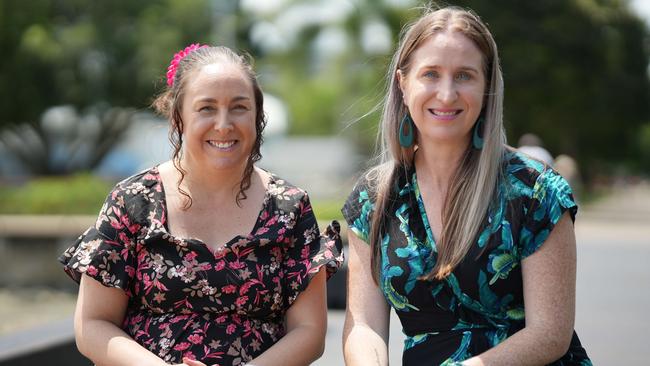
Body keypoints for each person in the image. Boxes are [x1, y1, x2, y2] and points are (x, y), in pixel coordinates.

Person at [59, 44, 343, 366]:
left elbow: (309, 331)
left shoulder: (291, 208)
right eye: (206, 108)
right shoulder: (132, 201)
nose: (224, 124)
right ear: (178, 115)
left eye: (239, 107)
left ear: (257, 115)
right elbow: (92, 325)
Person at [341, 6, 591, 366]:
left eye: (464, 76)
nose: (446, 94)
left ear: (487, 86)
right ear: (403, 82)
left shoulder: (537, 192)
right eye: (430, 74)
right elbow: (363, 324)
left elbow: (550, 333)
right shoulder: (373, 198)